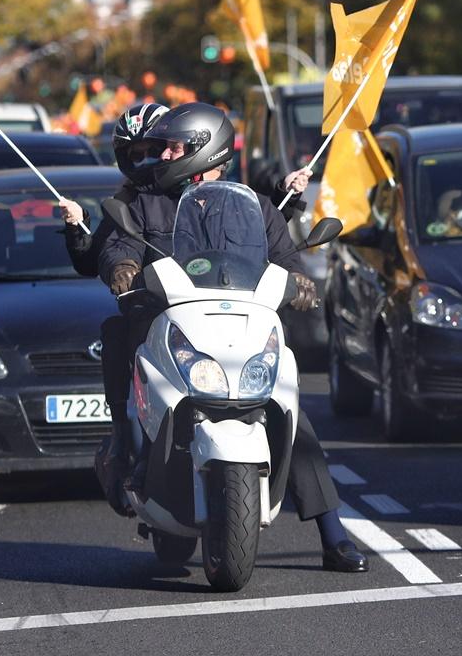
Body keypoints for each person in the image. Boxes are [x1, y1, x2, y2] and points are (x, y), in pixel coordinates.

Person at [97, 102, 368, 573]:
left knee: (291, 412)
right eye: (164, 147)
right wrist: (121, 267)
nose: (164, 156)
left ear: (205, 150)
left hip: (238, 330)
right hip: (176, 325)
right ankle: (132, 457)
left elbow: (286, 259)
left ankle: (333, 534)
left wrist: (301, 286)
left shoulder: (256, 207)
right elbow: (120, 245)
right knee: (141, 377)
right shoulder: (147, 202)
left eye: (175, 147)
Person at [58, 102, 169, 518]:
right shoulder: (127, 201)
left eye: (155, 149)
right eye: (135, 154)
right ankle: (124, 443)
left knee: (294, 417)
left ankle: (329, 529)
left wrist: (290, 201)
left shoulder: (204, 193)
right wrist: (78, 225)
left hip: (213, 324)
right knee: (117, 332)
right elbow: (98, 256)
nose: (147, 160)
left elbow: (253, 238)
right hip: (152, 322)